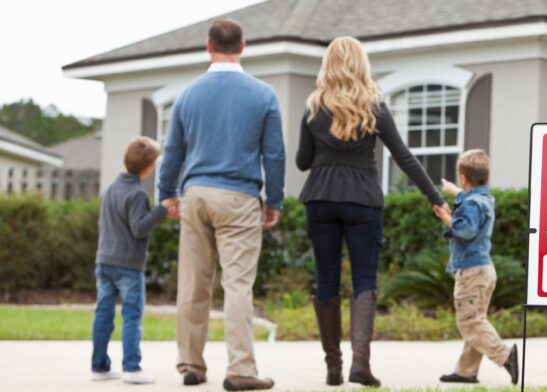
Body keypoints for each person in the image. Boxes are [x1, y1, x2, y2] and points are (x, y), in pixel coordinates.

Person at [296, 36, 447, 387]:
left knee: (326, 279)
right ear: (361, 64)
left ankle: (333, 367)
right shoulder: (374, 106)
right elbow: (403, 156)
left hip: (320, 197)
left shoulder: (313, 107)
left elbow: (303, 162)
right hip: (363, 198)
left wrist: (325, 150)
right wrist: (435, 199)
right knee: (365, 279)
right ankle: (359, 365)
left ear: (328, 65)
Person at [157, 19, 284, 391]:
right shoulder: (263, 94)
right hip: (240, 197)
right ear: (242, 47)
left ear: (208, 46)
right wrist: (273, 200)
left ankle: (192, 366)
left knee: (194, 284)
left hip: (195, 194)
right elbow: (274, 154)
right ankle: (241, 369)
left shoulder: (188, 94)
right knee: (238, 285)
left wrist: (166, 193)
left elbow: (172, 153)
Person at [432, 149, 519, 385]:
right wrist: (455, 191)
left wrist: (447, 218)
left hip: (471, 271)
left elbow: (465, 230)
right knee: (476, 318)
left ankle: (505, 356)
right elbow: (470, 202)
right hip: (483, 270)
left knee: (469, 321)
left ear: (463, 177)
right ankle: (466, 371)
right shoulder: (484, 198)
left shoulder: (471, 204)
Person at [91, 136, 172, 385]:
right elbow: (139, 228)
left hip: (104, 261)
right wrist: (162, 209)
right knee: (132, 316)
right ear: (148, 169)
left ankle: (99, 366)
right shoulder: (137, 194)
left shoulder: (110, 189)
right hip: (128, 266)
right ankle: (132, 367)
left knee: (103, 314)